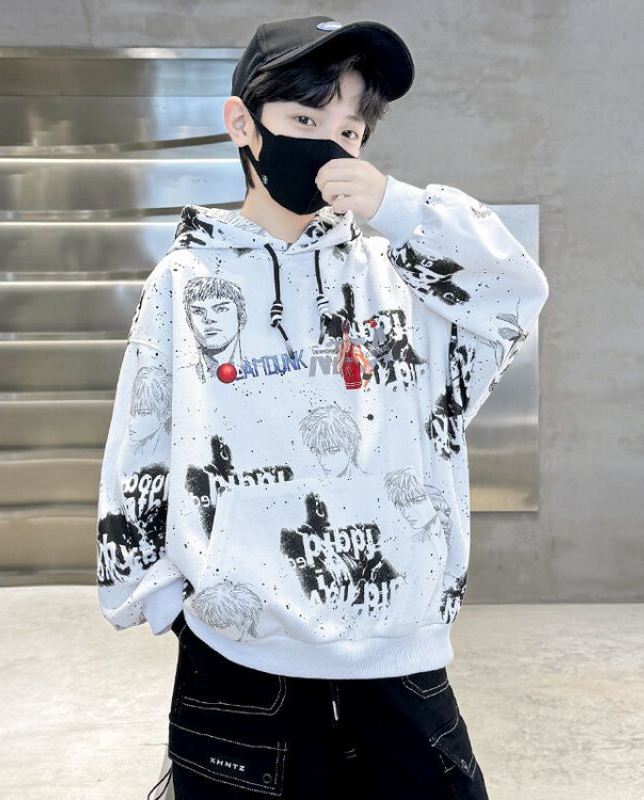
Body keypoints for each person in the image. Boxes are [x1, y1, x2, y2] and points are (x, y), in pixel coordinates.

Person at [95, 14, 550, 800]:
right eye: (305, 121)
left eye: (349, 131)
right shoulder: (187, 280)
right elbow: (142, 434)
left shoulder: (401, 276)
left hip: (399, 651)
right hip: (237, 661)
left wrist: (398, 206)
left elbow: (515, 294)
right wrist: (164, 596)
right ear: (243, 123)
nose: (330, 147)